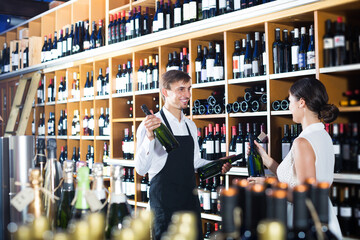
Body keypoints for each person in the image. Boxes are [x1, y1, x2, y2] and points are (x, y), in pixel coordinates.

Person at [135, 70, 232, 240]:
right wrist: (150, 137)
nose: (187, 94)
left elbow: (194, 162)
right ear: (165, 92)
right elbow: (141, 168)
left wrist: (217, 164)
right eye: (181, 89)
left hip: (189, 203)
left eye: (189, 89)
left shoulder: (190, 125)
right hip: (164, 206)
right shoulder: (150, 125)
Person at [248, 77, 342, 239]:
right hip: (323, 217)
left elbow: (305, 196)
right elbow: (293, 177)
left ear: (301, 103)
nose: (289, 107)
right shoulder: (322, 135)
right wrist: (266, 159)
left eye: (290, 101)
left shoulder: (302, 142)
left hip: (303, 222)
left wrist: (268, 184)